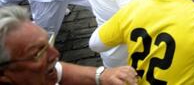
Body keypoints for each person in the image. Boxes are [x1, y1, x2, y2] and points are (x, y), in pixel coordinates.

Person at [0, 5, 138, 85]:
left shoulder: (37, 74)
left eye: (48, 43)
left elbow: (57, 69)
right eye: (37, 53)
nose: (56, 54)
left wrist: (101, 75)